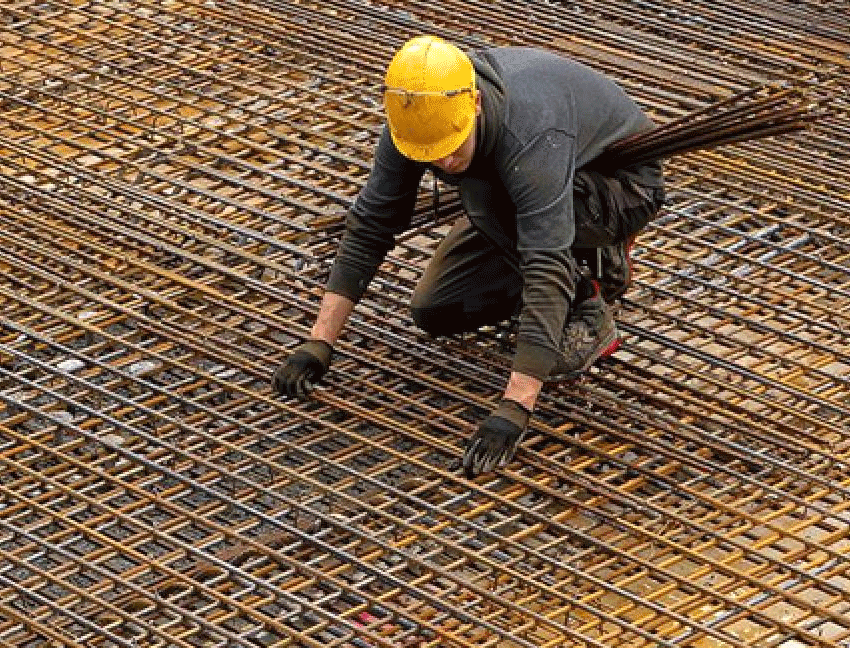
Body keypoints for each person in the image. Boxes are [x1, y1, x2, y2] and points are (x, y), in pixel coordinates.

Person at [272, 36, 667, 476]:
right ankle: (558, 262)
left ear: (475, 104)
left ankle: (591, 293)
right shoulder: (415, 117)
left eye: (451, 145)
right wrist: (319, 341)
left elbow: (544, 261)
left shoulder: (530, 132)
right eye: (431, 153)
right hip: (516, 193)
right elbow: (371, 221)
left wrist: (515, 406)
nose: (442, 160)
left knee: (486, 197)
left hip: (617, 186)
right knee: (436, 310)